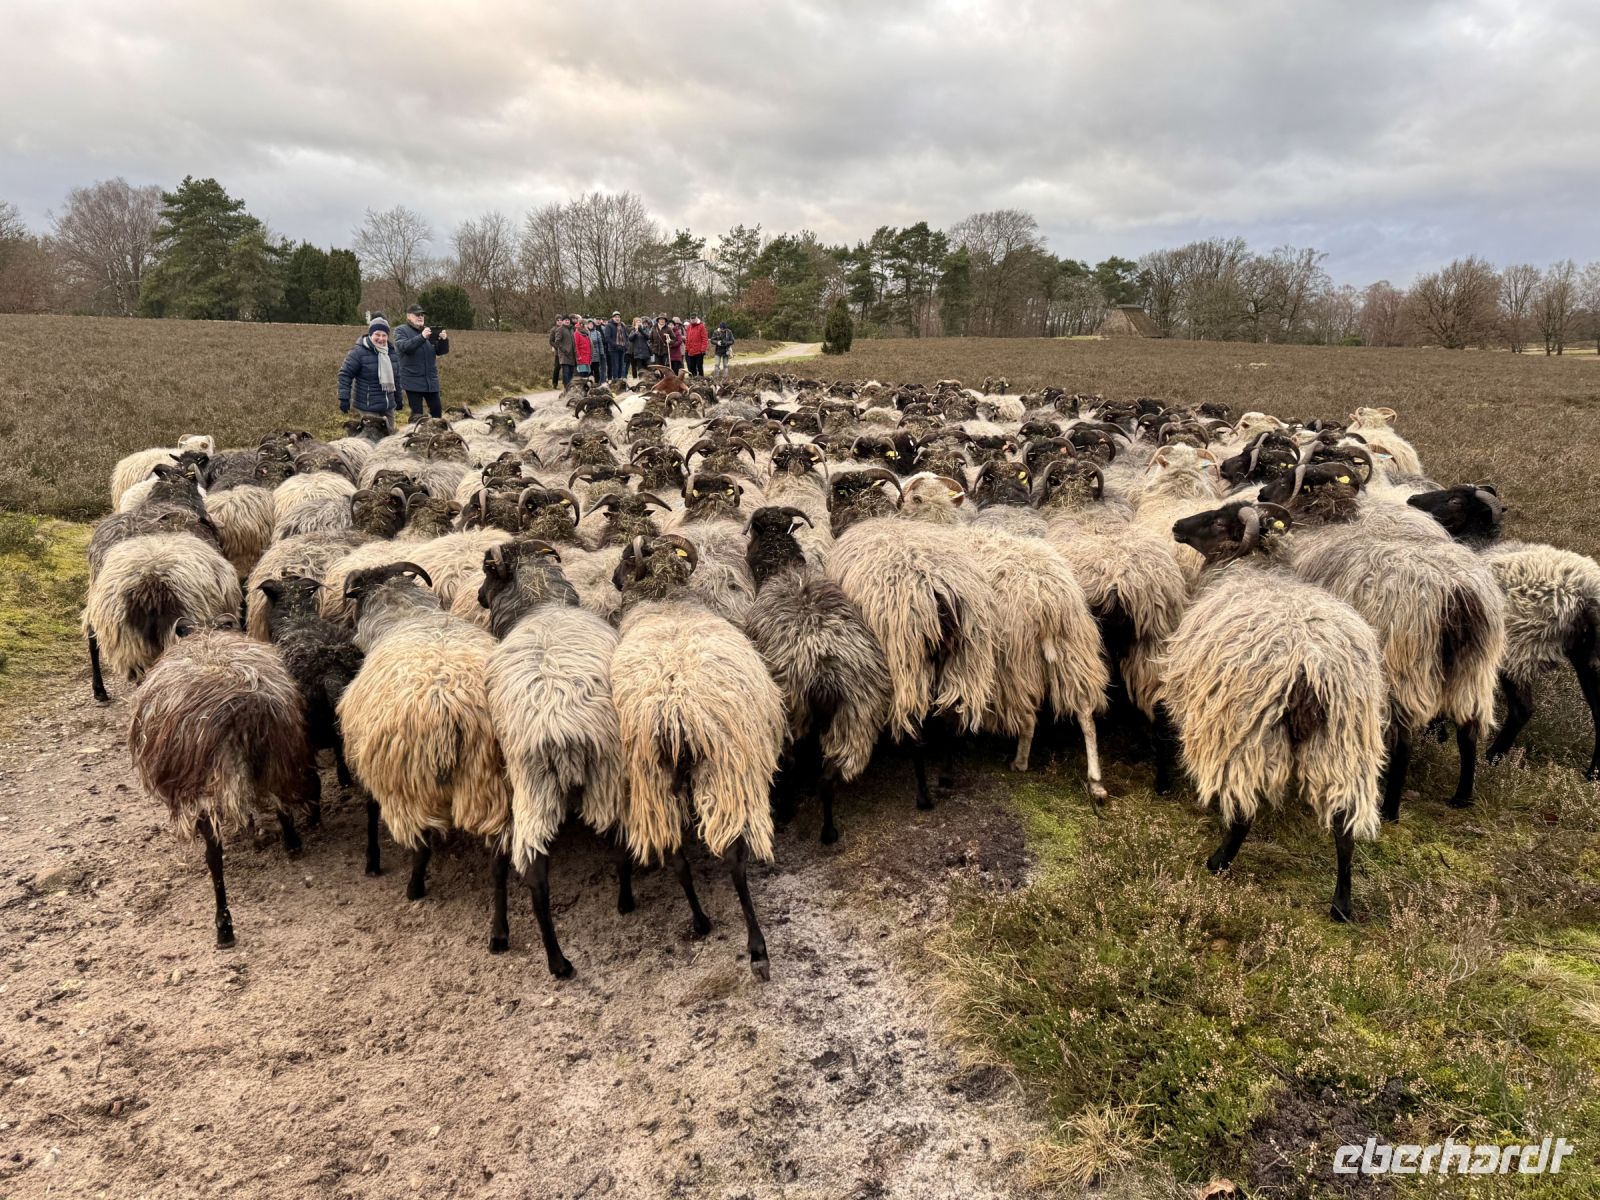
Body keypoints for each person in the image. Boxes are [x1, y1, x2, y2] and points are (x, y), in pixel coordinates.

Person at [338, 315, 402, 431]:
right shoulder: (358, 352)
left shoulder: (391, 352)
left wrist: (398, 399)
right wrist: (344, 398)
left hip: (388, 405)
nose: (381, 338)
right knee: (373, 439)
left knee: (390, 438)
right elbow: (345, 374)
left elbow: (396, 378)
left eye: (384, 335)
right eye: (377, 334)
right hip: (368, 406)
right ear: (370, 334)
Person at [393, 304, 449, 422]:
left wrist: (444, 340)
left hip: (431, 381)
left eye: (422, 315)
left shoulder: (428, 331)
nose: (420, 317)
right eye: (417, 314)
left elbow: (440, 351)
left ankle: (437, 437)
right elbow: (405, 347)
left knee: (437, 412)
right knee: (417, 416)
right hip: (412, 381)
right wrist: (422, 337)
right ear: (408, 316)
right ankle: (416, 438)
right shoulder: (401, 330)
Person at [552, 315, 576, 389]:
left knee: (571, 373)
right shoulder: (560, 329)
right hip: (564, 355)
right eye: (565, 320)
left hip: (572, 355)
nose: (567, 321)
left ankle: (570, 388)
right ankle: (566, 388)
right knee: (566, 372)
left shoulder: (572, 329)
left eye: (568, 320)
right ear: (562, 321)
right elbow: (557, 342)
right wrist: (564, 350)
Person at [606, 311, 628, 381]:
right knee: (615, 365)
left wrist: (626, 345)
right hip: (613, 349)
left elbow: (626, 336)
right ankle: (615, 380)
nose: (617, 318)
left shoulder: (622, 326)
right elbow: (607, 338)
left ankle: (620, 379)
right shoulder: (609, 325)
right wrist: (615, 345)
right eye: (615, 317)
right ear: (612, 318)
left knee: (621, 365)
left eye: (618, 317)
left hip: (622, 348)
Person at [548, 316, 567, 388]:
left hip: (565, 352)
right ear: (556, 321)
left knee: (565, 368)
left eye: (561, 320)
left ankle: (565, 383)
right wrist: (557, 347)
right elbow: (551, 341)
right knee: (557, 367)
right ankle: (554, 383)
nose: (560, 321)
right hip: (558, 352)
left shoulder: (565, 329)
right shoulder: (553, 330)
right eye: (558, 320)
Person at [573, 314, 593, 380]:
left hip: (587, 357)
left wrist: (590, 356)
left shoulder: (586, 334)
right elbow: (576, 346)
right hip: (581, 358)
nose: (587, 326)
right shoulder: (577, 333)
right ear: (582, 325)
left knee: (587, 375)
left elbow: (590, 346)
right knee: (582, 375)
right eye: (586, 324)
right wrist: (578, 356)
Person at [587, 319, 608, 383]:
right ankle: (590, 383)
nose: (590, 325)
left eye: (591, 324)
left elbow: (600, 343)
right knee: (589, 371)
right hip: (588, 355)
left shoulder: (597, 333)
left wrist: (601, 353)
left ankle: (597, 383)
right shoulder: (585, 333)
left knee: (596, 370)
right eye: (589, 324)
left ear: (593, 324)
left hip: (596, 354)